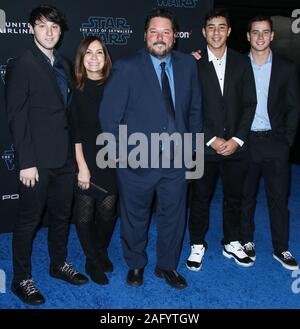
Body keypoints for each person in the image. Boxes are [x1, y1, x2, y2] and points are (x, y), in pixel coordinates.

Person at [100, 7, 202, 289]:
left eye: (166, 32)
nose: (160, 37)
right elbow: (110, 117)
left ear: (174, 37)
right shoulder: (127, 66)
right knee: (135, 217)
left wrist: (192, 151)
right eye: (154, 31)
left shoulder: (187, 65)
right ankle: (135, 264)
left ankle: (166, 266)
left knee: (174, 216)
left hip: (177, 160)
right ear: (145, 35)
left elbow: (194, 110)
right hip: (136, 160)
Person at [5, 4, 88, 306]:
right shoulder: (22, 64)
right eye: (42, 26)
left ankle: (58, 264)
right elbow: (16, 116)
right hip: (36, 162)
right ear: (31, 29)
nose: (49, 32)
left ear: (61, 30)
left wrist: (76, 161)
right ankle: (21, 279)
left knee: (61, 216)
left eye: (54, 27)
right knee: (28, 221)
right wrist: (26, 162)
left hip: (64, 158)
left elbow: (69, 114)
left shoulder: (64, 64)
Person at [186, 8, 257, 271]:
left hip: (236, 147)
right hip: (204, 148)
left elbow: (250, 104)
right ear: (204, 32)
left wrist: (238, 138)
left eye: (221, 27)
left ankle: (232, 240)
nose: (216, 32)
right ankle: (197, 243)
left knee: (234, 198)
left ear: (229, 31)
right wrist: (210, 139)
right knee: (200, 198)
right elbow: (189, 108)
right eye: (211, 27)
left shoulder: (243, 62)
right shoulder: (191, 63)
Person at [240, 16, 300, 270]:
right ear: (248, 36)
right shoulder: (238, 65)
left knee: (278, 199)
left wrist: (286, 141)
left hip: (275, 143)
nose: (261, 37)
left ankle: (281, 247)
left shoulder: (286, 67)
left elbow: (293, 107)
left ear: (272, 36)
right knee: (245, 197)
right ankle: (245, 241)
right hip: (247, 142)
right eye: (256, 32)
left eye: (265, 32)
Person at [70, 36, 117, 285]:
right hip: (86, 158)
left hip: (111, 159)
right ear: (82, 57)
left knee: (108, 213)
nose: (94, 57)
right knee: (85, 215)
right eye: (89, 52)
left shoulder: (115, 85)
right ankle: (91, 259)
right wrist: (82, 167)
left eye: (99, 52)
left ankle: (100, 250)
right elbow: (75, 133)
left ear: (105, 57)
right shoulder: (76, 89)